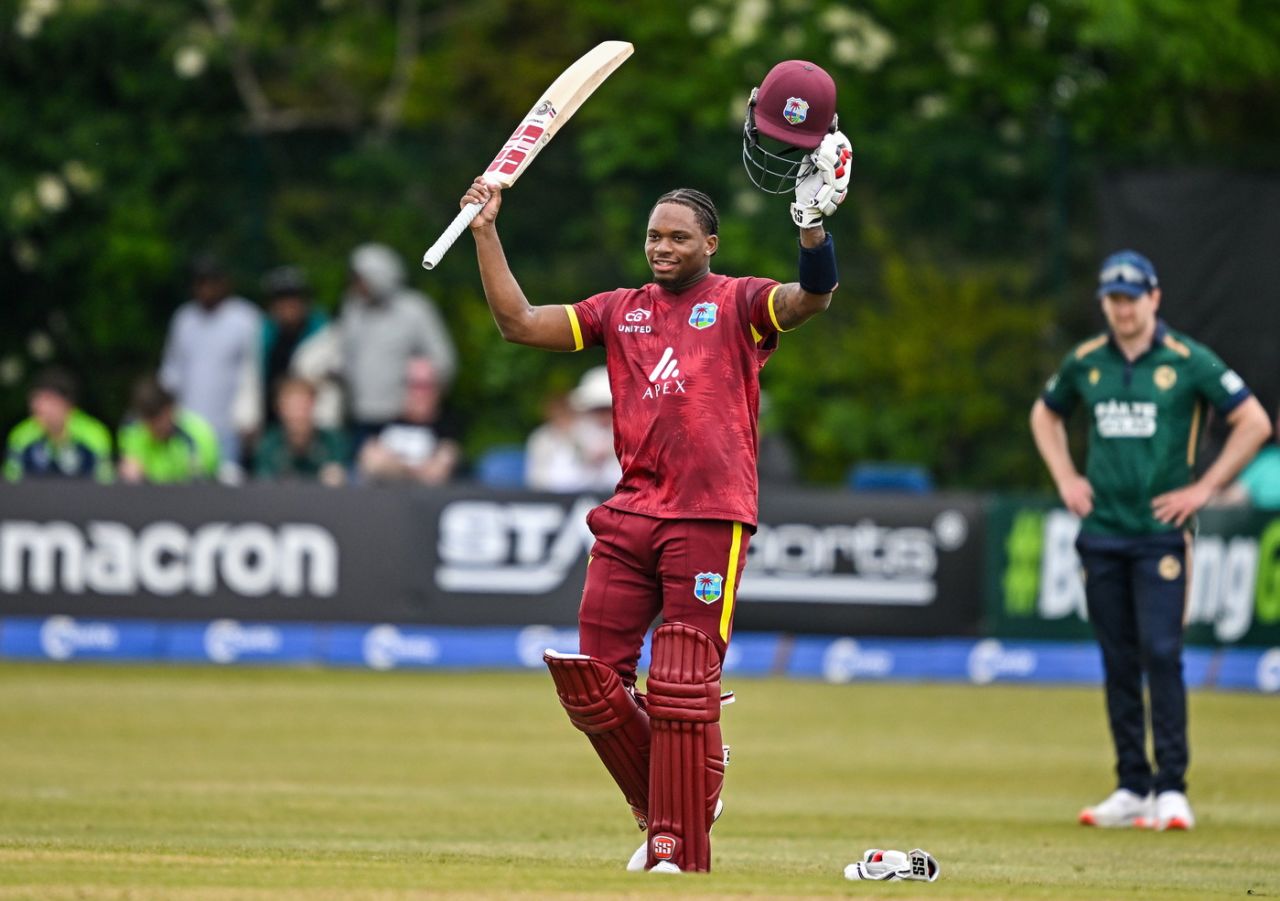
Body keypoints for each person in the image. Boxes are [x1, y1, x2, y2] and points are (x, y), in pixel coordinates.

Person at [459, 58, 852, 874]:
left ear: (710, 243)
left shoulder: (741, 303)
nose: (662, 247)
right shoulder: (619, 310)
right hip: (631, 512)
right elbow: (519, 324)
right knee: (591, 680)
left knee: (679, 682)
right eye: (654, 235)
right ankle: (687, 788)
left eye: (678, 236)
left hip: (709, 513)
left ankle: (676, 844)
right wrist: (487, 230)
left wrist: (813, 230)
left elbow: (810, 299)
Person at [1029, 249, 1271, 832]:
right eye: (1113, 300)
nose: (1122, 310)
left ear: (1154, 298)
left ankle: (1172, 789)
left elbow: (1254, 421)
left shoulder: (1188, 360)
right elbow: (1046, 414)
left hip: (1161, 537)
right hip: (1102, 534)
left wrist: (1205, 489)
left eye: (1131, 299)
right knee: (1117, 661)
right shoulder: (1086, 361)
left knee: (1161, 655)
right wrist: (1065, 477)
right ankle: (1132, 785)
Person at [339, 242, 457, 449]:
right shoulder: (353, 309)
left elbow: (443, 361)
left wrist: (425, 399)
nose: (357, 285)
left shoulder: (415, 310)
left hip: (403, 418)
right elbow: (346, 353)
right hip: (361, 415)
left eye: (362, 279)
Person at [158, 253, 262, 480]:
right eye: (200, 282)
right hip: (187, 428)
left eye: (211, 282)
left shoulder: (245, 318)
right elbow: (171, 372)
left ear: (224, 283)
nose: (205, 289)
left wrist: (250, 415)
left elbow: (253, 373)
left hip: (228, 429)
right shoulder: (184, 319)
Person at [356, 356, 461, 486]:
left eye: (426, 386)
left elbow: (439, 470)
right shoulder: (383, 418)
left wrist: (393, 466)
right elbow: (371, 463)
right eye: (414, 385)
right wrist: (417, 469)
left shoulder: (449, 423)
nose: (420, 393)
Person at [4, 367, 113, 483]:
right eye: (35, 399)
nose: (38, 406)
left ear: (67, 402)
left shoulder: (94, 433)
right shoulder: (21, 435)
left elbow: (105, 482)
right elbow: (11, 483)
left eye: (48, 399)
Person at [524, 365, 622, 493]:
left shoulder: (634, 440)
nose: (603, 417)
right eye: (597, 410)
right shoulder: (548, 439)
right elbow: (543, 484)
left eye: (609, 409)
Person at [118, 375, 220, 484]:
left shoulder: (199, 434)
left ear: (169, 409)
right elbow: (131, 473)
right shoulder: (135, 433)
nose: (153, 428)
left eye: (158, 419)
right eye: (148, 422)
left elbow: (204, 480)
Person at [259, 265, 328, 425]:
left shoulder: (323, 333)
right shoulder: (264, 333)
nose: (287, 305)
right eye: (281, 298)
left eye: (293, 297)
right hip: (270, 423)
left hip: (312, 424)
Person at [253, 376, 349, 486]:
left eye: (303, 406)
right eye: (292, 407)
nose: (298, 414)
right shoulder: (268, 444)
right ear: (280, 409)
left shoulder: (333, 442)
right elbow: (262, 482)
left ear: (314, 406)